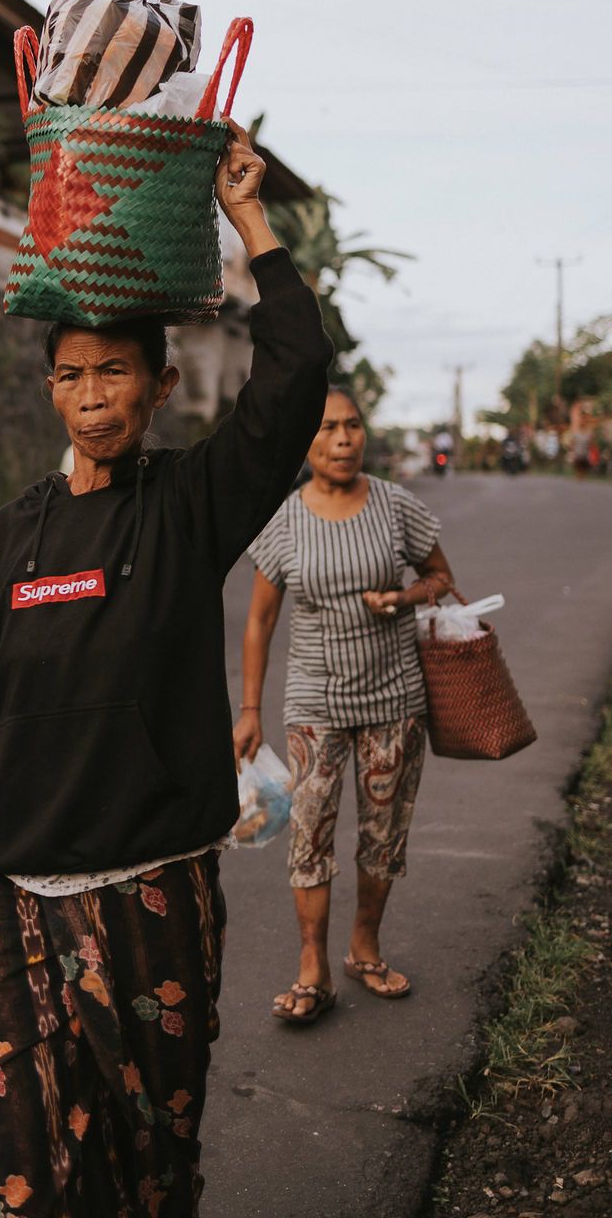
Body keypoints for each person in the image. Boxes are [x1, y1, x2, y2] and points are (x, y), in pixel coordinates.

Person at [0, 120, 332, 1215]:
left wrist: (251, 221)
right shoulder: (6, 538)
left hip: (150, 886)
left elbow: (295, 377)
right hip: (15, 895)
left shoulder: (186, 506)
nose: (92, 396)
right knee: (22, 1161)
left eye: (115, 373)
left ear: (159, 389)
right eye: (71, 376)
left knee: (152, 1160)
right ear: (50, 392)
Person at [234, 388, 454, 1024]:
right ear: (307, 440)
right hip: (314, 701)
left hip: (394, 697)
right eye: (327, 427)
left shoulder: (394, 505)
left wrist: (402, 600)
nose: (342, 439)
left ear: (365, 433)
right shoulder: (285, 520)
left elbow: (442, 578)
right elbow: (259, 622)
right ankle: (313, 968)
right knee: (309, 832)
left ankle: (365, 948)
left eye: (352, 425)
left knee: (384, 833)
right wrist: (249, 710)